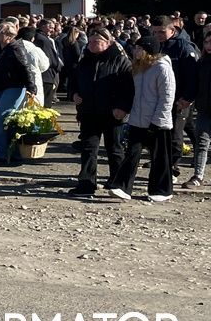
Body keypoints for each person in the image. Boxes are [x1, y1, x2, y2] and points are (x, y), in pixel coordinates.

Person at [108, 37, 176, 203]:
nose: (135, 51)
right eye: (135, 48)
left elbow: (167, 97)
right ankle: (122, 187)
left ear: (148, 51)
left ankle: (162, 190)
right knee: (131, 154)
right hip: (138, 120)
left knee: (160, 157)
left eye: (139, 49)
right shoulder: (138, 68)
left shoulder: (162, 68)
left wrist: (158, 120)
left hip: (157, 122)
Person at [69, 27, 133, 198]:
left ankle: (117, 183)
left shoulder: (120, 61)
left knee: (115, 149)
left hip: (113, 113)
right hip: (89, 112)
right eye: (89, 42)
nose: (91, 45)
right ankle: (86, 183)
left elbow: (129, 89)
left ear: (108, 43)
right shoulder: (85, 61)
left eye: (96, 42)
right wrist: (74, 95)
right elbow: (73, 83)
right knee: (89, 148)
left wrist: (123, 108)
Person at [152, 16, 198, 175]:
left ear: (173, 30)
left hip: (179, 99)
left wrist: (187, 98)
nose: (158, 35)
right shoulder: (156, 46)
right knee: (164, 131)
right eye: (155, 32)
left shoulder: (183, 47)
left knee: (175, 134)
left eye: (162, 32)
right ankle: (163, 163)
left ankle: (172, 167)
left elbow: (192, 75)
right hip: (160, 98)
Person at [0, 22, 37, 164]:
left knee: (2, 119)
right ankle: (13, 155)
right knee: (8, 122)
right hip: (2, 88)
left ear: (9, 36)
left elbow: (26, 68)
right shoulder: (3, 48)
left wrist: (32, 88)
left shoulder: (15, 48)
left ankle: (1, 155)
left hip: (14, 87)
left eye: (0, 32)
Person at [185, 35, 211, 188]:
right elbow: (195, 84)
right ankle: (198, 176)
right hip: (204, 109)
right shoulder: (202, 62)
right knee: (202, 143)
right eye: (207, 42)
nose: (208, 45)